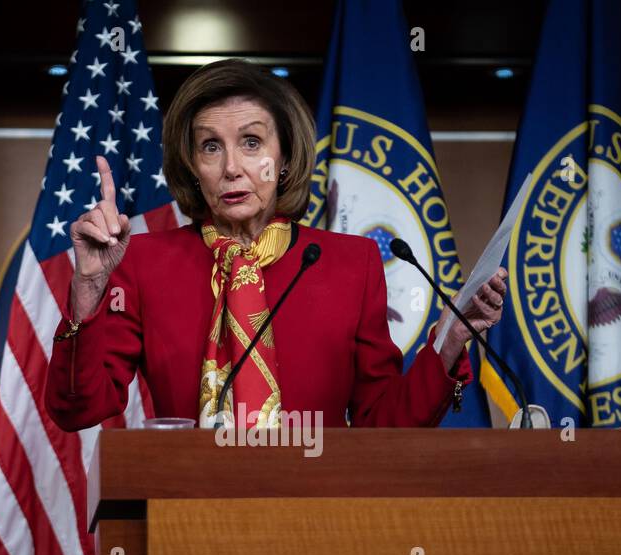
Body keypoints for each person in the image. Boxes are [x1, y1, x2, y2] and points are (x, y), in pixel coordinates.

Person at [43, 58, 507, 431]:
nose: (231, 168)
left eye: (250, 143)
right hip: (183, 519)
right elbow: (76, 409)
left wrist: (450, 343)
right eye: (210, 147)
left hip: (318, 522)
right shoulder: (147, 262)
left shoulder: (349, 265)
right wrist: (88, 289)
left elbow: (382, 424)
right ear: (190, 165)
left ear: (283, 157)